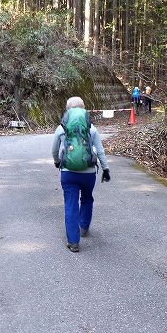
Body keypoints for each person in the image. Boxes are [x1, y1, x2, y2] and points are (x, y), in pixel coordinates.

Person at [52, 97, 111, 253]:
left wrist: (57, 162)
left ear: (68, 110)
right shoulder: (91, 128)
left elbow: (54, 149)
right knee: (87, 198)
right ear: (84, 109)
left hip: (68, 172)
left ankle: (73, 242)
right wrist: (105, 168)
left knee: (70, 204)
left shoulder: (62, 128)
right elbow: (99, 151)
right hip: (88, 172)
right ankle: (84, 227)